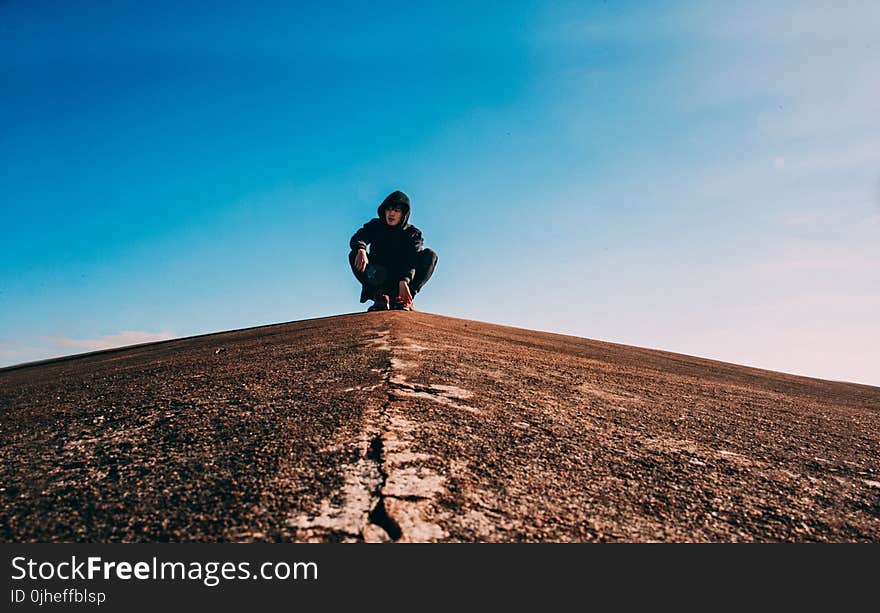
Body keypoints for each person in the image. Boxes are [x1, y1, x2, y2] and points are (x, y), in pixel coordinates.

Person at [349, 190, 438, 311]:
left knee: (430, 255)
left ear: (403, 214)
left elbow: (412, 259)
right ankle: (380, 296)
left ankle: (405, 299)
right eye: (389, 209)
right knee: (354, 254)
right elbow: (359, 237)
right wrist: (361, 248)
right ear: (384, 211)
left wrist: (404, 280)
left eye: (396, 210)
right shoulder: (376, 225)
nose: (391, 213)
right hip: (378, 276)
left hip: (402, 279)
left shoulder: (413, 233)